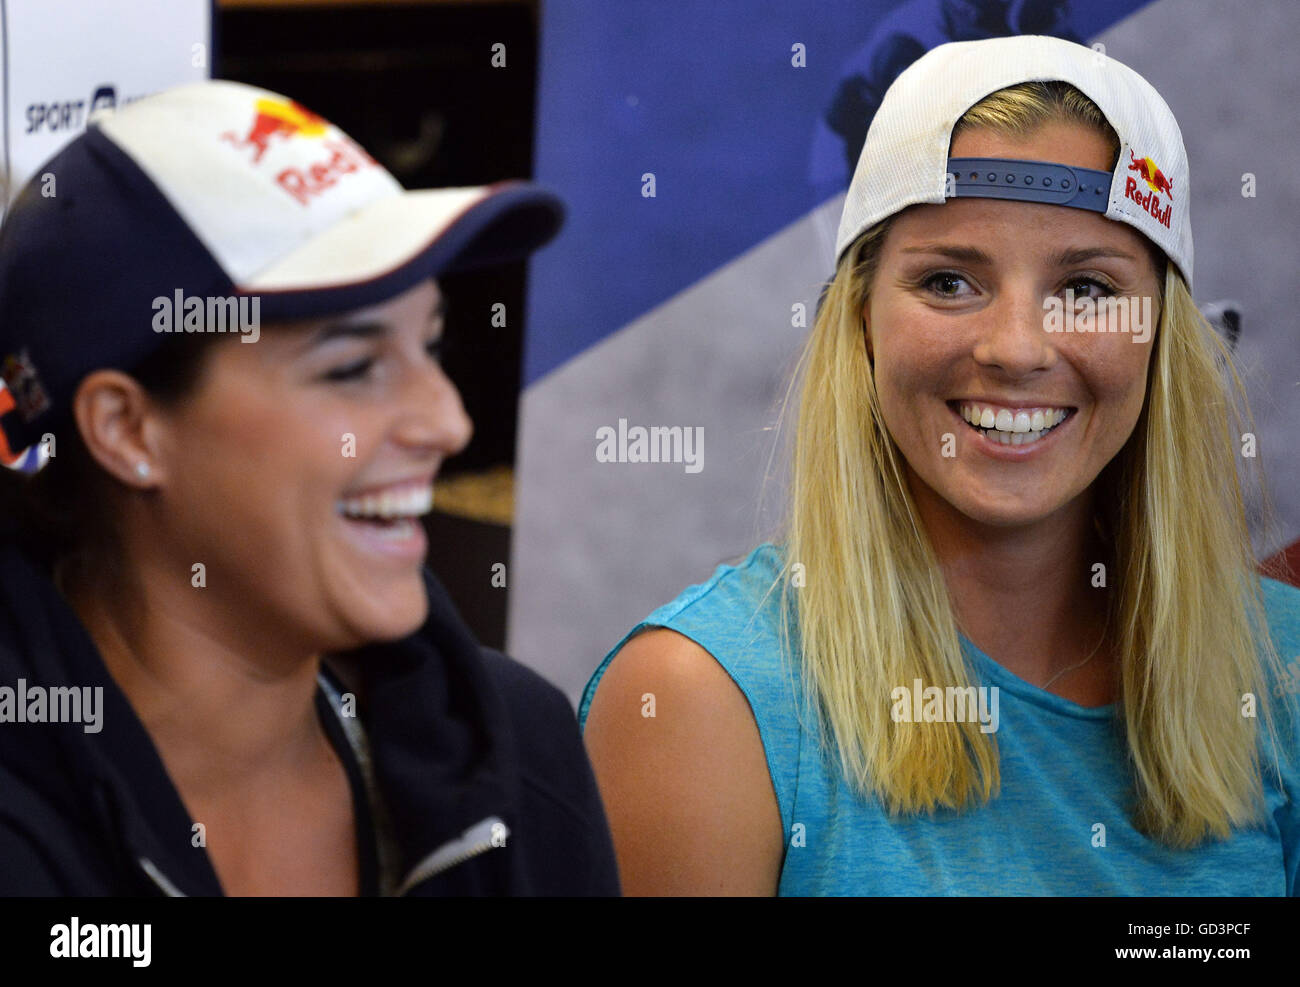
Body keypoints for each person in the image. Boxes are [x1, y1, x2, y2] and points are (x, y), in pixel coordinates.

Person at [580, 35, 1300, 895]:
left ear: (1163, 344)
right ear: (859, 320)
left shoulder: (1282, 671)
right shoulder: (700, 700)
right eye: (950, 282)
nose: (1018, 348)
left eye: (1090, 289)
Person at [0, 80, 619, 896]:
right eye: (353, 367)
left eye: (430, 345)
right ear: (126, 429)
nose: (447, 422)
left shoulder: (519, 752)